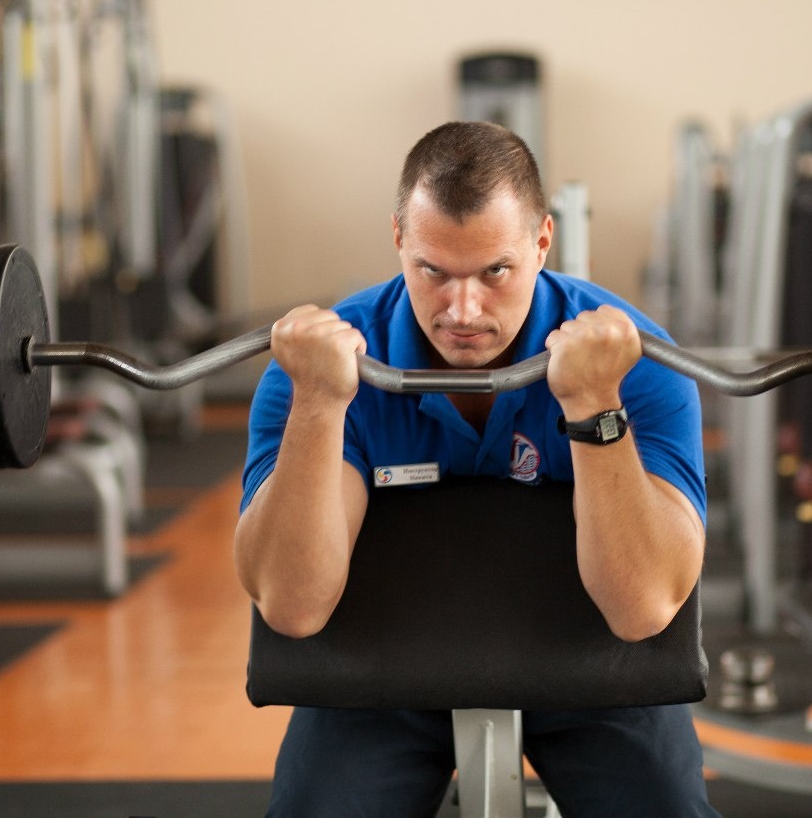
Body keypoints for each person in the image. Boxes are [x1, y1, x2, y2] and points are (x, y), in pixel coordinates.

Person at [235, 120, 717, 817]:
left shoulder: (639, 366)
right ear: (399, 238)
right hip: (383, 671)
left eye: (495, 272)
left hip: (594, 665)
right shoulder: (319, 367)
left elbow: (644, 607)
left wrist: (592, 404)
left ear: (542, 241)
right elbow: (291, 603)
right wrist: (317, 403)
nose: (463, 311)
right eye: (434, 271)